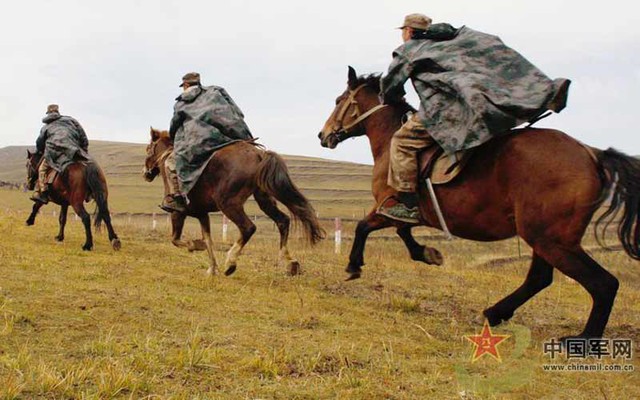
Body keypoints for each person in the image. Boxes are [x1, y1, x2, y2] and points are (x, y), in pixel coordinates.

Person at [378, 13, 571, 223]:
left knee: (402, 141)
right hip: (474, 105)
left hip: (443, 112)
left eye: (403, 31)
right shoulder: (454, 40)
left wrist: (391, 97)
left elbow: (390, 85)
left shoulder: (409, 50)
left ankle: (408, 205)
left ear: (408, 31)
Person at [162, 72, 254, 213]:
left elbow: (174, 126)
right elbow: (237, 112)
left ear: (186, 85)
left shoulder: (181, 103)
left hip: (196, 143)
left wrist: (174, 139)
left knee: (170, 163)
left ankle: (178, 198)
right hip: (223, 137)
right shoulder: (216, 92)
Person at [32, 104, 89, 204]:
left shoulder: (46, 127)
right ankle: (89, 190)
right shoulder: (71, 120)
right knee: (86, 166)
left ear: (48, 113)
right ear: (58, 112)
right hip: (72, 150)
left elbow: (39, 144)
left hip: (53, 153)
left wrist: (40, 151)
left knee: (42, 169)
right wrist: (84, 150)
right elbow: (83, 135)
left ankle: (43, 193)